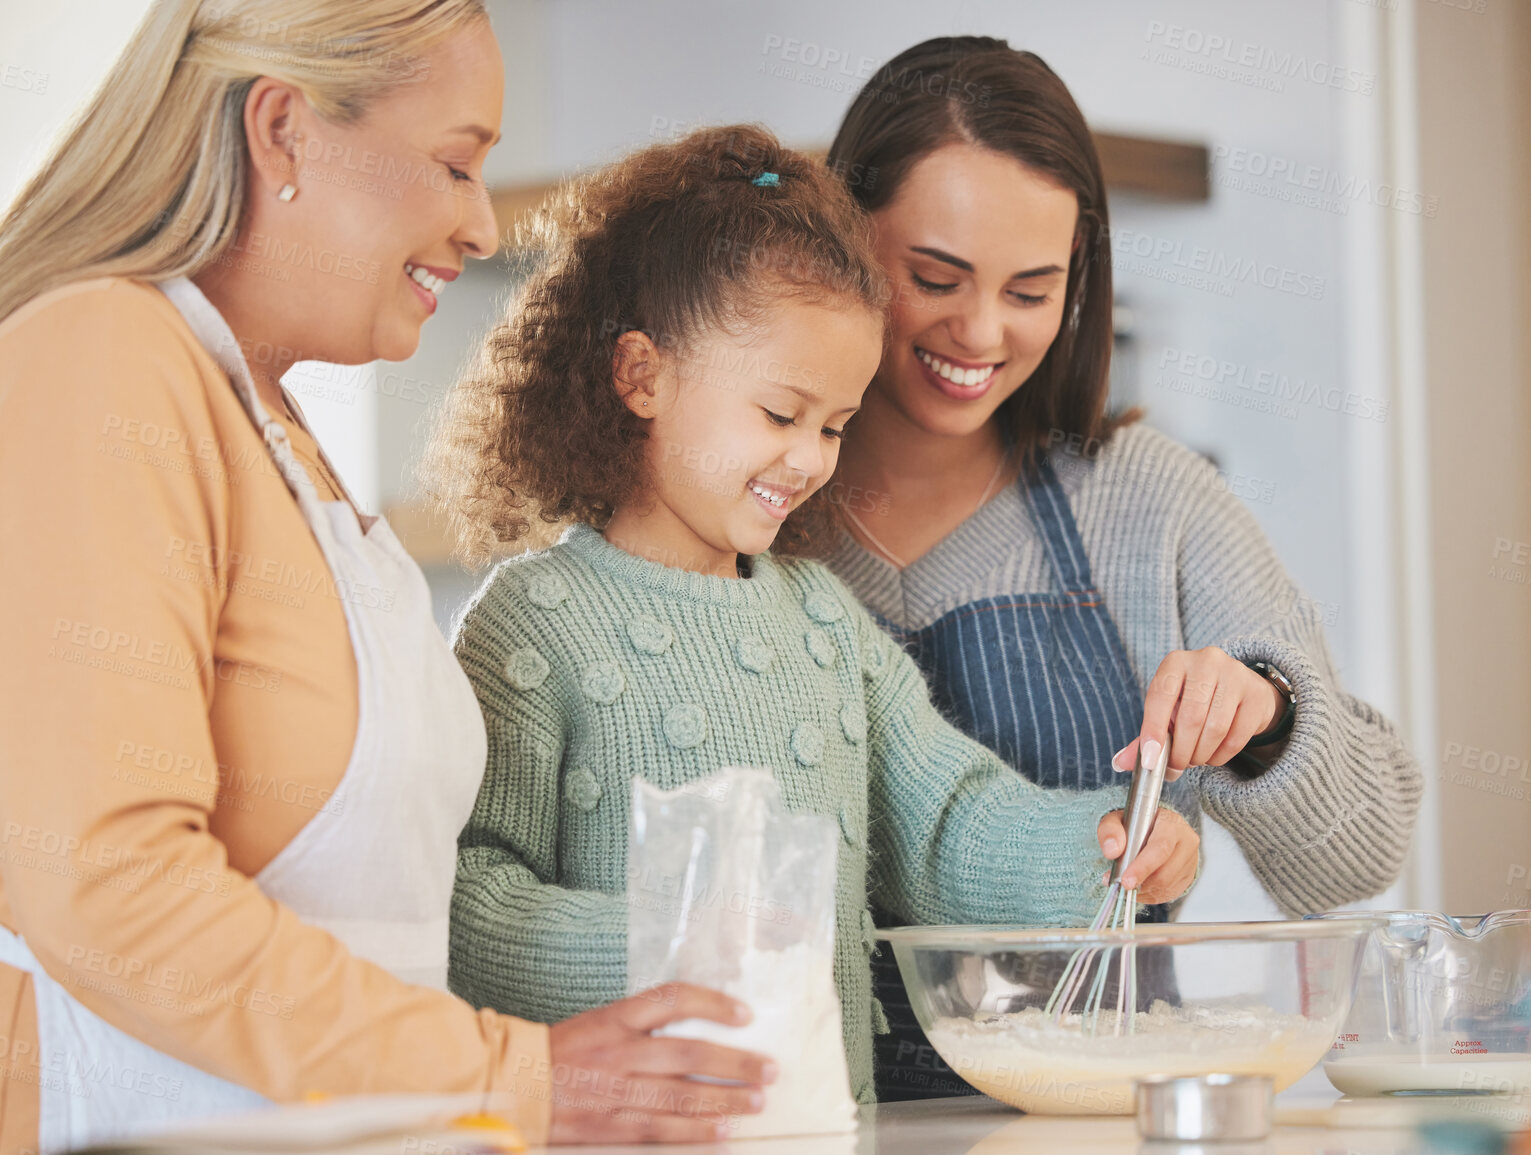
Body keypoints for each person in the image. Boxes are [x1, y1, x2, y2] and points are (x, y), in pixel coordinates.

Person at [0, 4, 775, 1151]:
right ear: (283, 130)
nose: (476, 222)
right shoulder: (88, 368)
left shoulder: (265, 428)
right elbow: (111, 888)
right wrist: (512, 1074)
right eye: (456, 163)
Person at [423, 124, 1201, 1106]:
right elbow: (468, 899)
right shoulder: (531, 629)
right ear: (642, 376)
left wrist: (1104, 842)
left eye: (836, 426)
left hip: (827, 1120)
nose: (810, 459)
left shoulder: (822, 619)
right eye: (780, 415)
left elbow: (948, 825)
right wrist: (669, 945)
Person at [818, 36, 1425, 1100]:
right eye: (934, 277)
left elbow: (1361, 855)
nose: (980, 331)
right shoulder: (745, 507)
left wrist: (1266, 720)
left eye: (1032, 289)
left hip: (1101, 1120)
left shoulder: (1147, 500)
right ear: (842, 237)